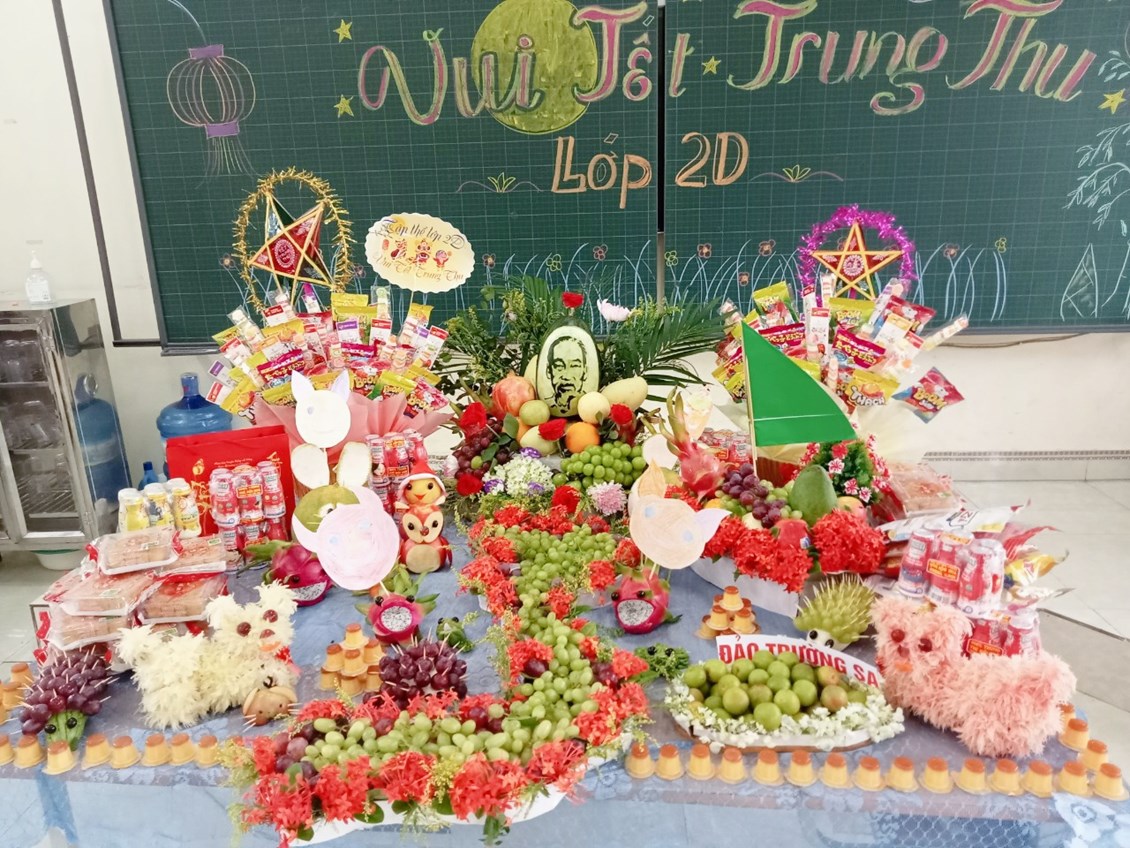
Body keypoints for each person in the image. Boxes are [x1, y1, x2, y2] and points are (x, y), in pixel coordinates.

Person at [547, 335, 588, 414]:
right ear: (548, 371)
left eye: (575, 366)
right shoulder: (545, 407)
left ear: (585, 371)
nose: (567, 376)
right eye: (559, 366)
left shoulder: (591, 407)